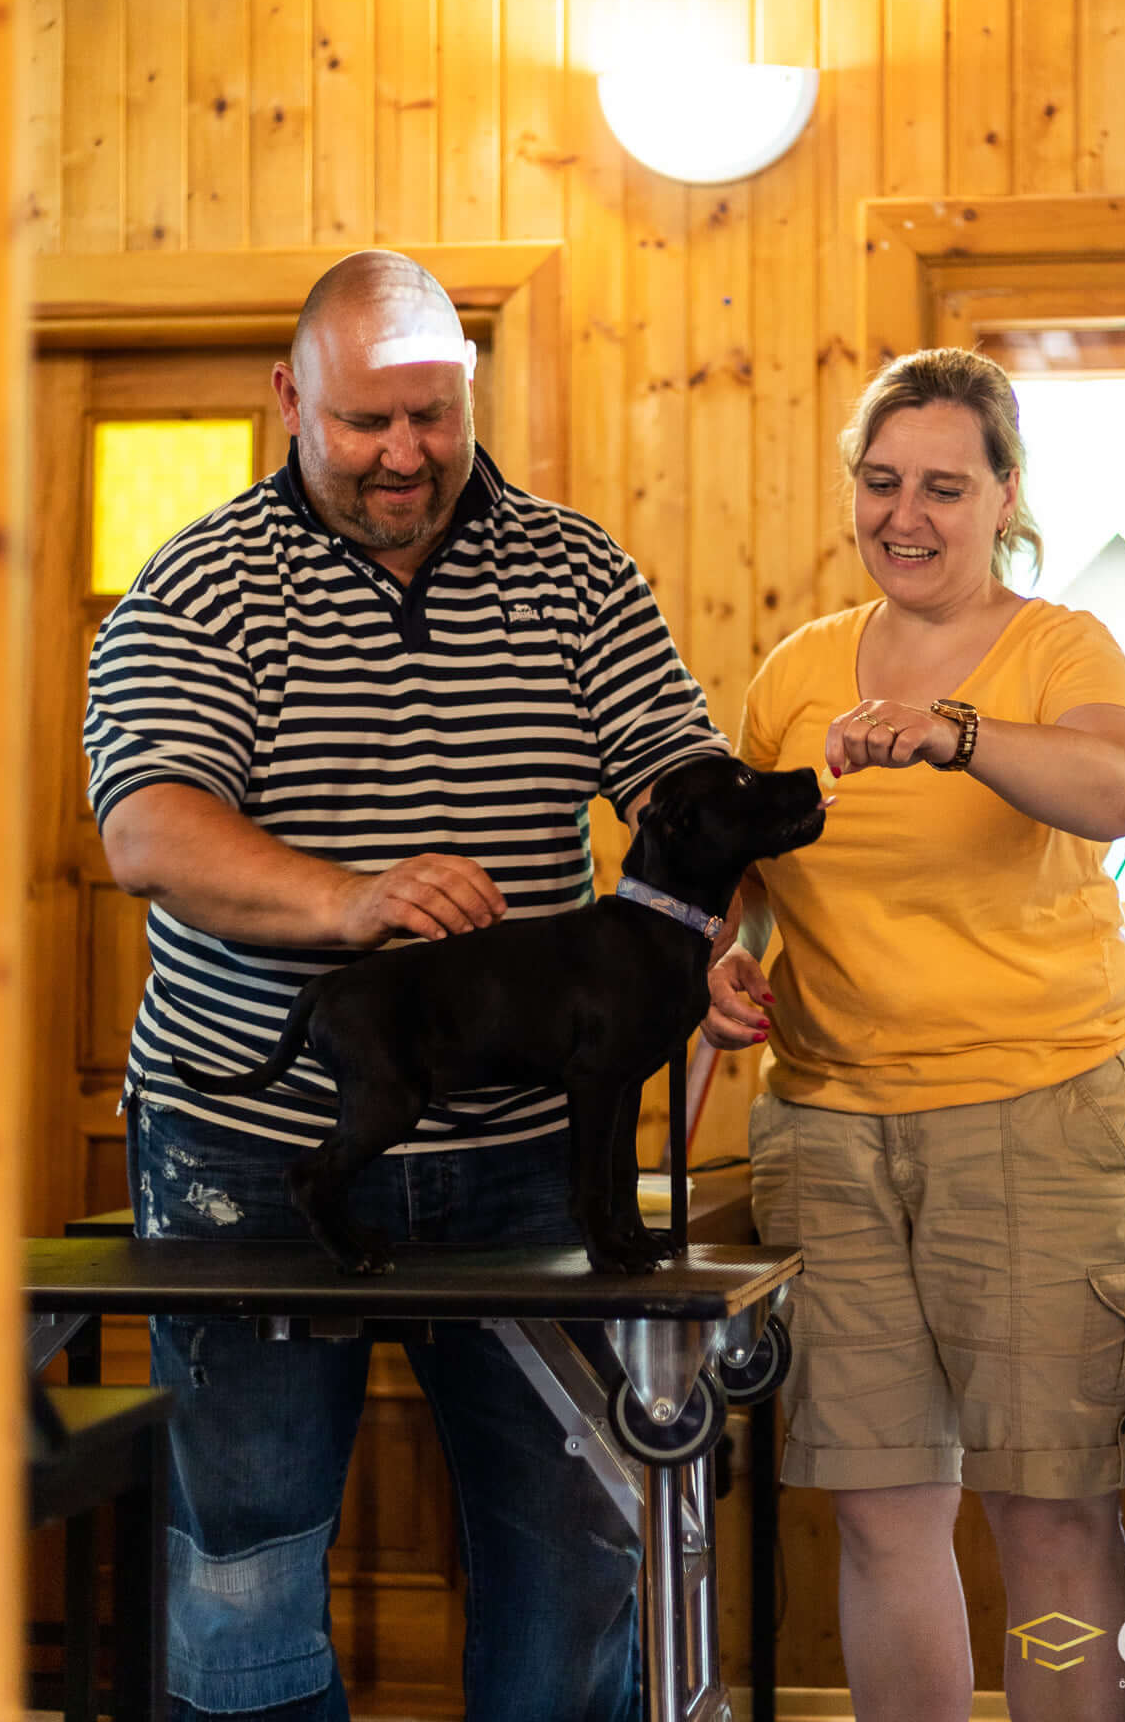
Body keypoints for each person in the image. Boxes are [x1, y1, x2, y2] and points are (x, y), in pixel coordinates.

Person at [83, 249, 727, 1722]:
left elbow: (679, 785)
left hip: (528, 1166)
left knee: (574, 1551)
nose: (405, 454)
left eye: (434, 416)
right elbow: (148, 829)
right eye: (368, 419)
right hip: (256, 1155)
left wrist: (721, 933)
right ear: (289, 396)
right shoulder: (200, 582)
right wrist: (349, 901)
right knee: (242, 1562)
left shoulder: (575, 572)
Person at [703, 346, 1125, 1722]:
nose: (907, 514)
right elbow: (737, 887)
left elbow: (1117, 785)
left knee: (1052, 1516)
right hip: (831, 1138)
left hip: (1042, 1124)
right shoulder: (792, 673)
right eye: (882, 480)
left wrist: (956, 733)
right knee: (882, 1517)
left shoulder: (1062, 646)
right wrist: (721, 967)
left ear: (1005, 496)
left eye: (946, 488)